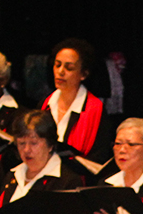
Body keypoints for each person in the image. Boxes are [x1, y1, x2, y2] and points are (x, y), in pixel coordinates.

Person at [43, 38, 109, 166]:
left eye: (69, 68)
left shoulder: (95, 109)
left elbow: (99, 159)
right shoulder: (45, 104)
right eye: (57, 65)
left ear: (83, 74)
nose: (60, 72)